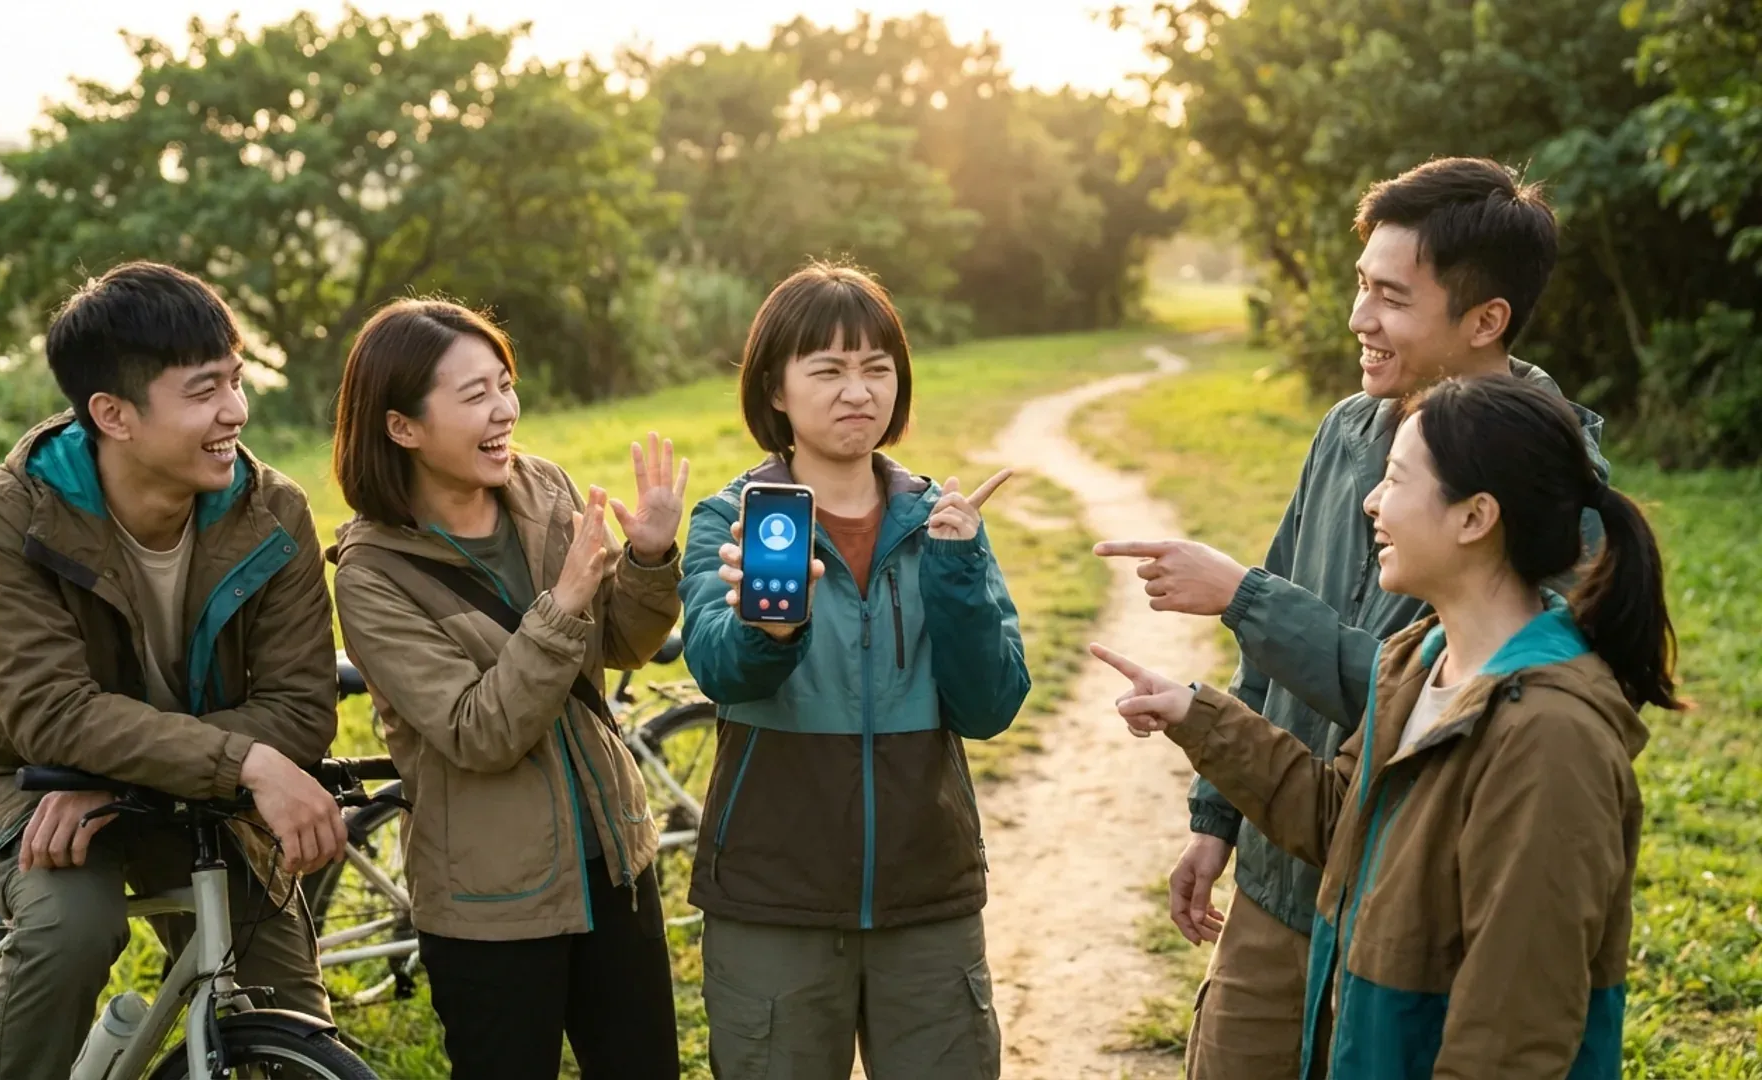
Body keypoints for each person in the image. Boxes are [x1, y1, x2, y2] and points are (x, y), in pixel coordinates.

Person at [1092, 157, 1609, 1078]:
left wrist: (1246, 596)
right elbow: (1270, 646)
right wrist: (1216, 816)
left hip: (1416, 936)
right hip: (1282, 891)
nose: (1358, 319)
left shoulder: (1548, 487)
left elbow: (1449, 716)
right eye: (1359, 285)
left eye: (1390, 296)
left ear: (1486, 319)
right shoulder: (1346, 430)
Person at [1091, 373, 1678, 1078]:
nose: (1371, 500)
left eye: (1396, 479)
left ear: (1474, 517)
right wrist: (1200, 716)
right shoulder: (1418, 662)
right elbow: (1346, 820)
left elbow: (1512, 1038)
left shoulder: (1550, 739)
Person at [0, 261, 346, 1076]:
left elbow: (302, 709)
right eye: (203, 392)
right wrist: (246, 760)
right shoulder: (9, 512)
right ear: (112, 414)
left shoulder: (274, 512)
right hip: (29, 780)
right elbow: (50, 714)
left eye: (236, 379)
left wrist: (137, 781)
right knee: (72, 929)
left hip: (189, 791)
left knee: (284, 1003)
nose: (235, 411)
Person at [680, 262, 1030, 1079]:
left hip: (927, 894)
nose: (857, 392)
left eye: (877, 369)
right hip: (773, 899)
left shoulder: (943, 520)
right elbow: (719, 668)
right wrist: (774, 628)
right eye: (828, 369)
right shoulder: (729, 523)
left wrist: (955, 570)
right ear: (776, 388)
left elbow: (990, 705)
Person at [328, 299, 687, 1080]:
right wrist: (560, 604)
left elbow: (620, 645)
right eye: (474, 396)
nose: (504, 411)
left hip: (613, 857)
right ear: (401, 428)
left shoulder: (542, 489)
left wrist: (652, 557)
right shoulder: (372, 577)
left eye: (505, 384)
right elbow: (477, 730)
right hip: (491, 903)